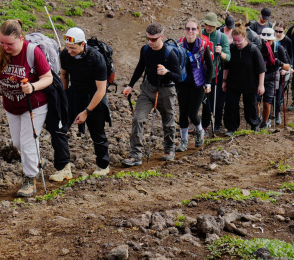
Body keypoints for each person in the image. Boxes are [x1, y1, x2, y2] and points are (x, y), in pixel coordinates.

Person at [0, 19, 53, 197]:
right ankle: (36, 161)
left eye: (10, 44)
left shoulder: (32, 52)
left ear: (21, 38)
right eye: (2, 43)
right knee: (18, 143)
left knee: (28, 143)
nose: (5, 47)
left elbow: (48, 77)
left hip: (34, 105)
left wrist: (33, 87)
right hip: (11, 103)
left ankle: (30, 180)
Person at [51, 27, 111, 179]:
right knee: (58, 128)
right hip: (74, 92)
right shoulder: (65, 54)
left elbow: (101, 90)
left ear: (83, 44)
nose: (69, 51)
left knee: (97, 132)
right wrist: (63, 97)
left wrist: (86, 112)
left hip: (94, 95)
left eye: (73, 48)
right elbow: (64, 74)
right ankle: (63, 168)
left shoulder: (96, 58)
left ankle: (103, 165)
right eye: (67, 48)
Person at [121, 23, 183, 165]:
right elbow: (140, 67)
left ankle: (169, 149)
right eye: (148, 38)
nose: (150, 42)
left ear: (161, 37)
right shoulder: (145, 50)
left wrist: (166, 72)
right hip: (148, 89)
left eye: (153, 39)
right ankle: (135, 155)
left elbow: (179, 77)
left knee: (168, 121)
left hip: (167, 91)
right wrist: (130, 86)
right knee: (138, 118)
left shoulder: (170, 54)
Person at [176, 19, 214, 150]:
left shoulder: (203, 46)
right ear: (185, 30)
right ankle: (184, 140)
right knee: (182, 113)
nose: (190, 31)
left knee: (192, 113)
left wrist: (208, 83)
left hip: (199, 83)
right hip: (183, 82)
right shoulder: (179, 44)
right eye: (188, 28)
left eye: (193, 29)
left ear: (198, 30)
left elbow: (210, 66)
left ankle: (199, 131)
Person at [222, 23, 266, 133]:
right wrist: (224, 81)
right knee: (231, 105)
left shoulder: (253, 50)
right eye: (235, 41)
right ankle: (232, 127)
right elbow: (226, 66)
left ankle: (254, 125)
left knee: (251, 105)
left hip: (250, 82)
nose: (237, 43)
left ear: (244, 37)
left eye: (239, 41)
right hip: (233, 82)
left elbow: (261, 69)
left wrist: (261, 85)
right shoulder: (232, 48)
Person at [201, 12, 230, 134]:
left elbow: (228, 57)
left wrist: (221, 52)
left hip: (215, 74)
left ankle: (217, 124)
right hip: (201, 74)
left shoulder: (221, 37)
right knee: (204, 101)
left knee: (216, 102)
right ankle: (204, 125)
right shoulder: (200, 34)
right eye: (207, 25)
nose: (208, 28)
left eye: (211, 26)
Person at [258, 27, 291, 128]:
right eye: (264, 39)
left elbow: (287, 66)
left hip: (272, 76)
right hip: (258, 75)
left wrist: (279, 63)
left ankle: (265, 122)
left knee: (267, 103)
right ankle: (258, 118)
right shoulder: (258, 48)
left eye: (268, 40)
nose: (266, 42)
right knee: (256, 101)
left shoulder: (279, 48)